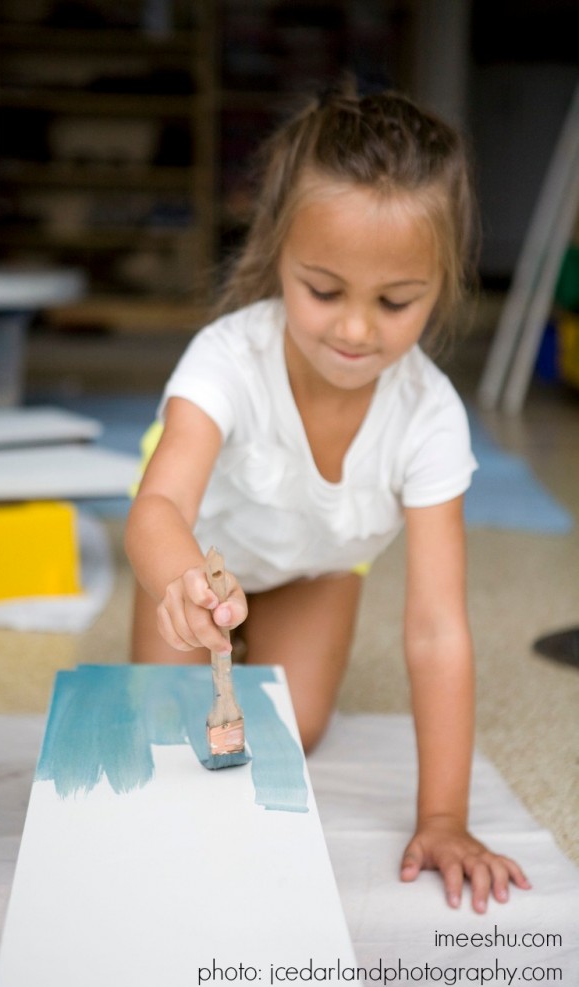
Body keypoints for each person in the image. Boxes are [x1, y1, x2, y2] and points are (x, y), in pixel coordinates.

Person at [125, 82, 531, 913]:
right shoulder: (226, 358)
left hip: (317, 565)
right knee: (165, 731)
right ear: (278, 252)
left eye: (394, 302)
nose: (354, 331)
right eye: (323, 289)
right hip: (201, 553)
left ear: (445, 284)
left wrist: (444, 815)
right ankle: (213, 626)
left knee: (295, 731)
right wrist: (181, 587)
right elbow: (157, 511)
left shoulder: (430, 418)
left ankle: (255, 633)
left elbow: (435, 626)